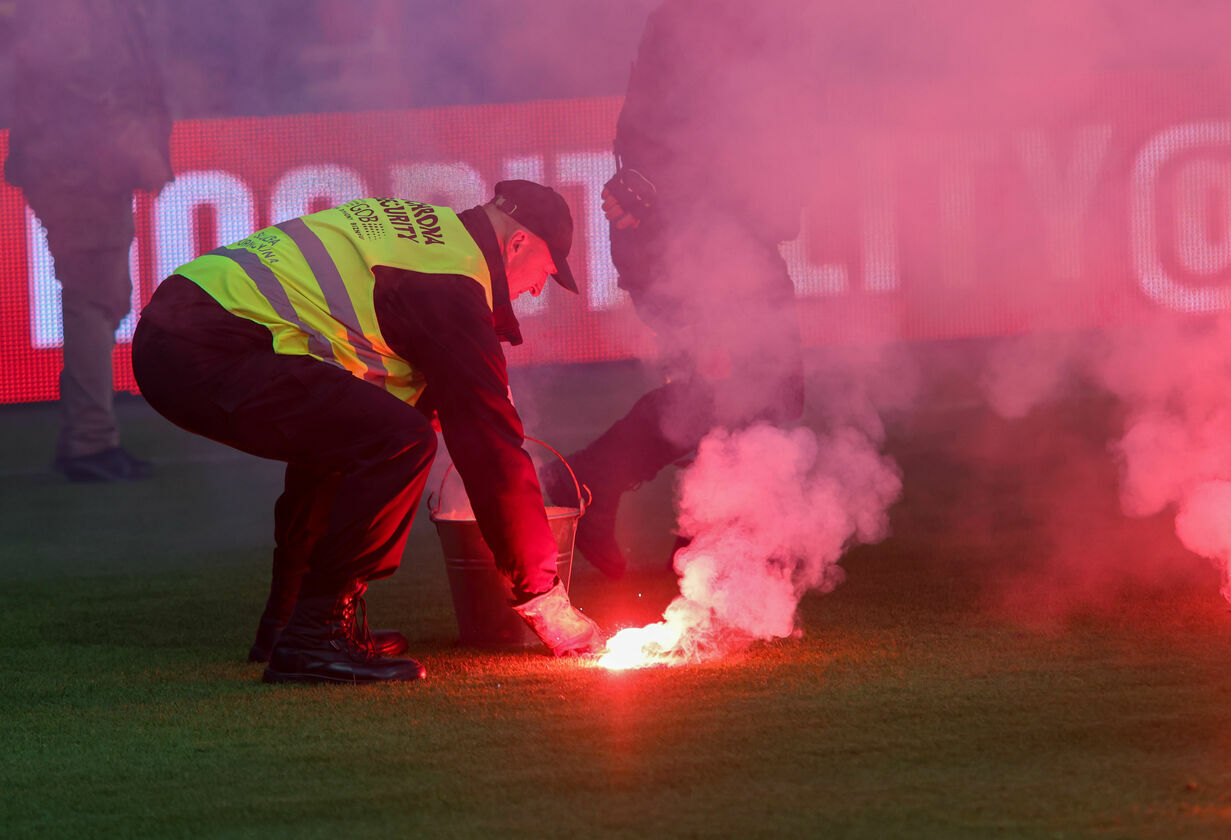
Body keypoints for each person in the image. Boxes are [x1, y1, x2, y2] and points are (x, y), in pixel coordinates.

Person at [131, 181, 604, 684]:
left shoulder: (430, 236)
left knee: (361, 438)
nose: (535, 290)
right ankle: (315, 637)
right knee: (396, 441)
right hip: (206, 346)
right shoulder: (451, 281)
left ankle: (294, 627)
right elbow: (492, 449)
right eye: (547, 273)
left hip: (182, 329)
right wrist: (542, 594)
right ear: (517, 244)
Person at [542, 0, 815, 577]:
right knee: (742, 390)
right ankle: (706, 544)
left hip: (702, 249)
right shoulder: (710, 41)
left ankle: (597, 485)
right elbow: (661, 163)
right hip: (696, 253)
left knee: (738, 392)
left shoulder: (706, 45)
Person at [4, 0, 173, 482]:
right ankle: (90, 443)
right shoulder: (76, 11)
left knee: (101, 300)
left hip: (83, 172)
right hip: (78, 174)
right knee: (94, 301)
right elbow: (85, 90)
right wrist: (139, 150)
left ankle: (90, 438)